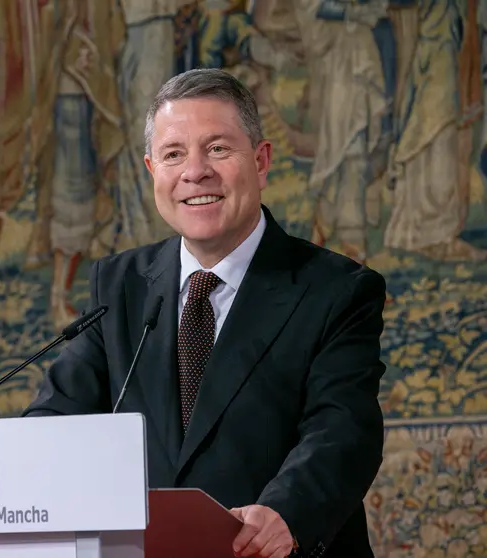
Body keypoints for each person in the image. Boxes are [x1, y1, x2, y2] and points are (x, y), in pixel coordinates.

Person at [22, 68, 386, 558]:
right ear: (153, 171)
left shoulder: (336, 290)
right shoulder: (120, 285)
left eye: (217, 149)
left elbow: (343, 428)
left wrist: (286, 513)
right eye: (174, 155)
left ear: (260, 162)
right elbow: (56, 420)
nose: (195, 172)